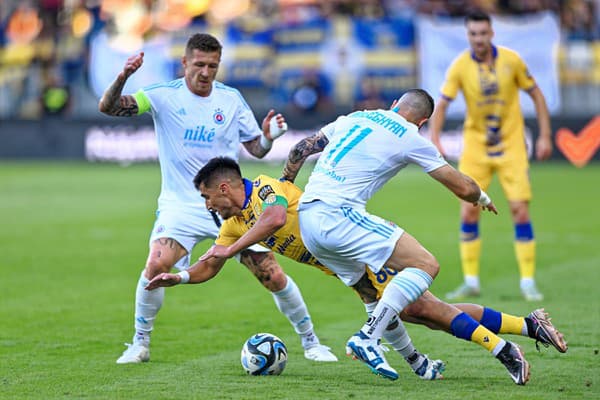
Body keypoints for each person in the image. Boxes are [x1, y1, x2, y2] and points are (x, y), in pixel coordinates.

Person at [147, 155, 566, 385]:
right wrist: (181, 277)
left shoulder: (264, 188)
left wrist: (234, 247)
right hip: (342, 265)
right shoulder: (234, 223)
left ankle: (502, 347)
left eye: (206, 197)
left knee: (422, 310)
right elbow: (210, 264)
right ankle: (525, 326)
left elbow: (274, 221)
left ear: (224, 187)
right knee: (426, 309)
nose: (206, 207)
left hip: (356, 247)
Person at [98, 33, 336, 364]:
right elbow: (108, 107)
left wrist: (267, 137)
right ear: (184, 63)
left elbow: (256, 148)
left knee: (272, 275)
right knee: (155, 265)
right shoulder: (162, 95)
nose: (206, 72)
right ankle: (139, 343)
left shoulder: (231, 99)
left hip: (232, 207)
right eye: (199, 65)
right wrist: (123, 76)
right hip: (181, 205)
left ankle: (312, 343)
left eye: (212, 65)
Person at [279, 88, 536, 385]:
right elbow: (462, 187)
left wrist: (285, 184)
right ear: (423, 122)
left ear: (393, 105)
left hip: (308, 221)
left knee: (372, 296)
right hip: (338, 216)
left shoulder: (356, 117)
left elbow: (302, 147)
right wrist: (481, 197)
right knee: (426, 264)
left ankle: (417, 363)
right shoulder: (410, 136)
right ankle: (368, 337)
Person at [427, 11, 553, 302]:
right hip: (475, 149)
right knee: (468, 210)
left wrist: (545, 135)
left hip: (512, 147)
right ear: (468, 35)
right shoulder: (460, 66)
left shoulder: (512, 60)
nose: (479, 39)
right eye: (473, 34)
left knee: (520, 209)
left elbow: (537, 95)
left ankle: (527, 281)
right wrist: (435, 140)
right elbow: (442, 104)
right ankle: (471, 281)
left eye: (483, 33)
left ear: (492, 33)